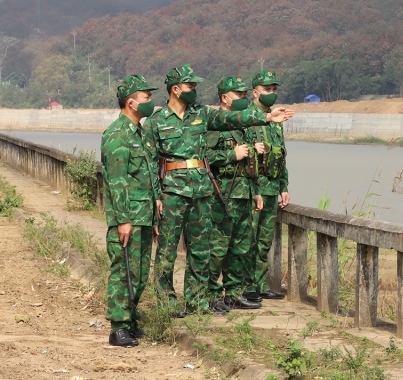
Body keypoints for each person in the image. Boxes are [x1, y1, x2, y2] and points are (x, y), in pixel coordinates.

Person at [143, 64, 292, 316]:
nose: (195, 90)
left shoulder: (202, 114)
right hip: (172, 192)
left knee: (201, 251)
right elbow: (149, 163)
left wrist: (266, 117)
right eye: (191, 86)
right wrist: (155, 197)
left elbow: (231, 117)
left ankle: (198, 300)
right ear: (176, 89)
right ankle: (166, 301)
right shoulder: (156, 122)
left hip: (201, 191)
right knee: (167, 252)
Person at [101, 75, 161, 347]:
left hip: (145, 214)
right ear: (131, 102)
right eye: (146, 97)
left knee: (139, 273)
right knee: (123, 271)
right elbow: (117, 181)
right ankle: (118, 327)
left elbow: (149, 175)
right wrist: (122, 220)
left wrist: (156, 210)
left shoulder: (143, 134)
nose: (150, 102)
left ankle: (131, 319)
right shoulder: (117, 135)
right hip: (128, 217)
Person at [205, 76, 263, 311]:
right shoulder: (214, 125)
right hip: (223, 195)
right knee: (218, 248)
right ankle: (210, 294)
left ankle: (234, 292)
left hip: (244, 194)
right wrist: (231, 155)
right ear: (225, 98)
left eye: (244, 95)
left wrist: (256, 191)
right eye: (238, 95)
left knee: (241, 247)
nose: (243, 99)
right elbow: (205, 158)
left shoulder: (242, 127)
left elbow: (251, 164)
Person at [243, 69, 290, 302]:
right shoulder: (248, 118)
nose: (271, 93)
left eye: (274, 90)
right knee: (248, 240)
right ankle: (246, 286)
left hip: (272, 188)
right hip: (255, 189)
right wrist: (254, 191)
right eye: (267, 90)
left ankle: (260, 284)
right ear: (255, 92)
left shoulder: (276, 122)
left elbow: (281, 155)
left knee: (264, 241)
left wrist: (284, 186)